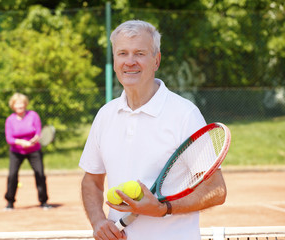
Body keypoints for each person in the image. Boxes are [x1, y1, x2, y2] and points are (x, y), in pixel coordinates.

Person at [79, 20, 227, 240]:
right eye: (122, 53)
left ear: (156, 60)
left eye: (139, 53)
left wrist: (163, 208)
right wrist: (98, 221)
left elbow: (216, 190)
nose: (130, 62)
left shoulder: (184, 114)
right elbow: (91, 181)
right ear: (115, 59)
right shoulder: (105, 115)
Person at [4, 93, 50, 210]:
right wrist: (21, 142)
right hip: (16, 151)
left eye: (22, 103)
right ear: (13, 106)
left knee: (40, 174)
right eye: (17, 103)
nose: (20, 105)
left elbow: (38, 132)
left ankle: (43, 202)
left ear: (25, 104)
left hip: (34, 150)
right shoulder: (10, 120)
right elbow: (9, 139)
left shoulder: (33, 115)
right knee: (12, 175)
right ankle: (10, 202)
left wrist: (34, 140)